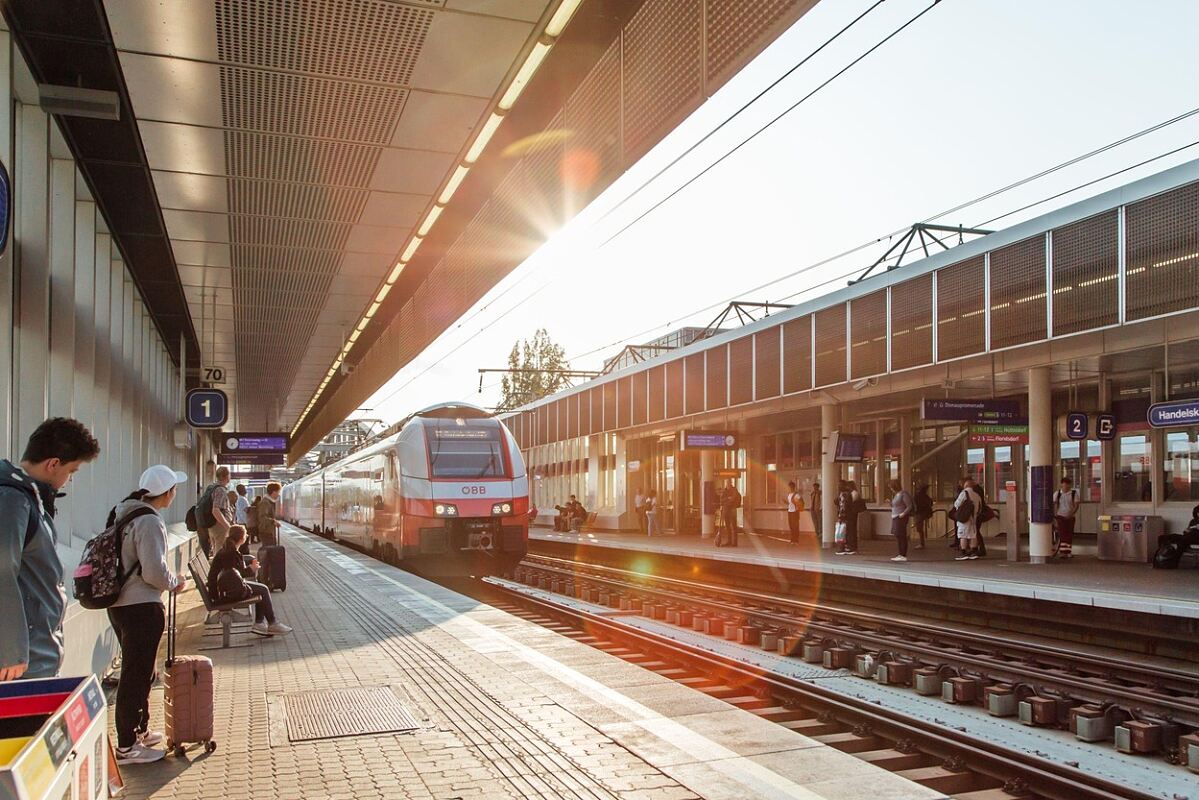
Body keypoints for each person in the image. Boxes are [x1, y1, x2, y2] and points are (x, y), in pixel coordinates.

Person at [0, 418, 101, 682]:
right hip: (22, 664)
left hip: (32, 654)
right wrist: (10, 650)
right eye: (72, 471)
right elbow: (2, 570)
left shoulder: (27, 498)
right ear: (53, 464)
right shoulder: (13, 500)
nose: (69, 480)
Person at [107, 465, 190, 764]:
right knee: (136, 674)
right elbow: (153, 571)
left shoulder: (123, 512)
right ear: (167, 493)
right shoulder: (149, 521)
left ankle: (139, 730)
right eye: (174, 489)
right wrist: (174, 583)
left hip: (118, 606)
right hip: (141, 605)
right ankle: (128, 745)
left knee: (143, 671)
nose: (175, 494)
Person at [207, 525, 292, 638]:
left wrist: (250, 568)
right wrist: (251, 569)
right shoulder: (230, 553)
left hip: (223, 589)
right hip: (223, 594)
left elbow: (234, 575)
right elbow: (234, 576)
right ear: (242, 538)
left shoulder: (228, 550)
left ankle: (261, 623)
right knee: (263, 589)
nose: (247, 536)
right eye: (246, 534)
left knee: (261, 588)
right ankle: (270, 623)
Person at [196, 466, 232, 557]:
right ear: (226, 476)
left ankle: (216, 569)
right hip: (219, 526)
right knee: (220, 551)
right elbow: (215, 510)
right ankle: (218, 570)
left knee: (216, 549)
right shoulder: (221, 490)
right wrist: (227, 526)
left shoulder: (212, 487)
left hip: (212, 525)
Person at [954, 477, 983, 560]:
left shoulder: (964, 493)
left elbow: (957, 504)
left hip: (964, 518)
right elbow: (980, 507)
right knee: (973, 535)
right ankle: (974, 552)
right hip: (973, 518)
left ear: (966, 485)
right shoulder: (976, 495)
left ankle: (963, 552)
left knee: (963, 535)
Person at [1053, 476, 1080, 559]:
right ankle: (1063, 552)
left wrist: (1071, 513)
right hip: (1060, 516)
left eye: (1067, 486)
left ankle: (1068, 551)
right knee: (1062, 534)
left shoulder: (1073, 494)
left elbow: (1076, 505)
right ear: (1061, 485)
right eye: (1064, 486)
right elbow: (1054, 504)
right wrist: (1055, 516)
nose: (1065, 488)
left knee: (1069, 534)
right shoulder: (1057, 494)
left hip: (1070, 517)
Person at [889, 479, 914, 562]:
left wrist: (903, 513)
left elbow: (909, 505)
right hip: (895, 516)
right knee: (898, 535)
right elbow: (894, 505)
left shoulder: (903, 494)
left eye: (891, 487)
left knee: (902, 535)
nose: (891, 489)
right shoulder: (896, 495)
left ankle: (903, 554)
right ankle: (900, 553)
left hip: (901, 517)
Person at [912, 484, 933, 550]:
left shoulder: (917, 496)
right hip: (924, 513)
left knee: (919, 528)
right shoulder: (926, 496)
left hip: (918, 513)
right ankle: (922, 543)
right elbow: (931, 503)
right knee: (920, 529)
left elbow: (914, 504)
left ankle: (922, 543)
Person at [721, 481, 741, 547]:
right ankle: (729, 541)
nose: (727, 485)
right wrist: (728, 498)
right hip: (726, 510)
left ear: (731, 483)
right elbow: (721, 500)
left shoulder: (734, 490)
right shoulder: (725, 491)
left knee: (733, 527)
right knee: (728, 527)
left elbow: (733, 498)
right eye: (727, 484)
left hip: (732, 510)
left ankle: (734, 543)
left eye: (728, 483)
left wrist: (727, 500)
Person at [835, 481, 852, 555]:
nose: (838, 487)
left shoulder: (843, 494)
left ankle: (841, 548)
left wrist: (841, 515)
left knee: (841, 532)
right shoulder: (847, 494)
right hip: (846, 515)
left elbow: (843, 506)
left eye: (839, 485)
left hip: (844, 515)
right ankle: (846, 547)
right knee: (845, 532)